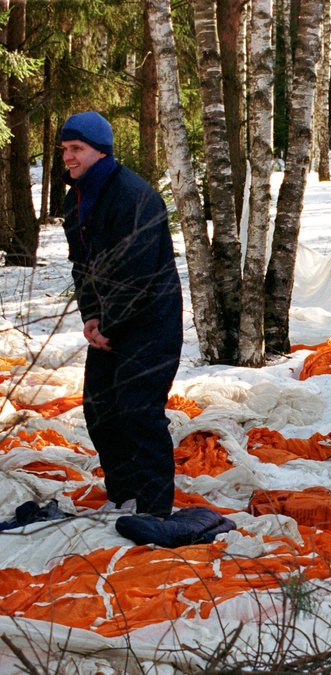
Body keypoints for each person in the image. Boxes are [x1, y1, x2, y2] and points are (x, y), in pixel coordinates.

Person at [60, 111, 183, 518]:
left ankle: (154, 508)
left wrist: (109, 324)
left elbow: (138, 273)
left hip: (151, 319)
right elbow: (83, 266)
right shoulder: (74, 199)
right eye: (64, 150)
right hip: (109, 321)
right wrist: (92, 317)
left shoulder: (135, 196)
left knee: (139, 411)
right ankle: (124, 493)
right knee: (99, 407)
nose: (69, 158)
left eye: (76, 149)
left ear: (101, 151)